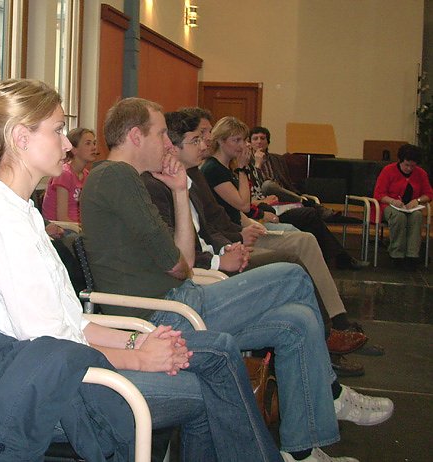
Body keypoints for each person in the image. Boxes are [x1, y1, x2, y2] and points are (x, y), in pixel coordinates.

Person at [0, 78, 283, 462]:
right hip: (49, 391)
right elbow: (48, 346)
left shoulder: (21, 213)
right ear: (20, 137)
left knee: (217, 352)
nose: (67, 144)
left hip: (63, 366)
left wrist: (137, 342)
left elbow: (70, 322)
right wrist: (139, 357)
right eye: (58, 130)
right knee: (206, 389)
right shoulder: (1, 224)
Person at [79, 97, 393, 462]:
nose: (167, 143)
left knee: (297, 322)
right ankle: (332, 392)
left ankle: (302, 452)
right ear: (136, 136)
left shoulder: (125, 179)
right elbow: (178, 265)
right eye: (161, 133)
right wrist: (181, 263)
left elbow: (183, 260)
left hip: (179, 301)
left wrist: (180, 191)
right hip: (165, 316)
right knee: (293, 275)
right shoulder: (116, 176)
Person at [142, 109, 369, 377]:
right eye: (197, 138)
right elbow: (183, 250)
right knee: (293, 267)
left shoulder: (190, 175)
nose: (204, 143)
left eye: (205, 136)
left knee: (298, 303)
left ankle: (327, 349)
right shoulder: (169, 182)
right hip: (202, 276)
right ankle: (328, 336)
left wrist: (230, 245)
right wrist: (225, 252)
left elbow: (212, 224)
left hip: (222, 252)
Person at [201, 117, 369, 271]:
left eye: (243, 140)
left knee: (304, 236)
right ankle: (330, 268)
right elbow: (243, 205)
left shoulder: (227, 167)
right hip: (235, 234)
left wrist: (253, 221)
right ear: (221, 141)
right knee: (303, 239)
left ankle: (328, 269)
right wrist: (243, 169)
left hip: (246, 224)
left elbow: (236, 209)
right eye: (236, 140)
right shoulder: (214, 169)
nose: (242, 145)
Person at [247, 126, 357, 224]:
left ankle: (312, 206)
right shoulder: (247, 160)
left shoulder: (278, 159)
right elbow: (253, 184)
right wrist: (257, 164)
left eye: (262, 138)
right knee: (267, 185)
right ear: (250, 143)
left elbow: (286, 182)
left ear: (268, 142)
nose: (259, 142)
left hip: (282, 194)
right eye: (255, 139)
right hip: (262, 196)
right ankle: (305, 202)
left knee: (274, 186)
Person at [372, 143, 433, 269]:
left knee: (417, 216)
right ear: (400, 161)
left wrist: (417, 200)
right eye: (406, 165)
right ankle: (397, 254)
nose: (409, 168)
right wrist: (393, 201)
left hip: (410, 207)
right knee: (399, 217)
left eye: (412, 166)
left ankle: (412, 255)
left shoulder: (421, 173)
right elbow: (379, 194)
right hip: (389, 205)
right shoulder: (388, 170)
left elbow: (429, 194)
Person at [41, 127, 98, 222]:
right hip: (60, 227)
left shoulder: (86, 175)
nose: (94, 147)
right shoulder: (65, 174)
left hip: (76, 225)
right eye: (88, 143)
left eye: (94, 143)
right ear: (74, 150)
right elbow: (62, 218)